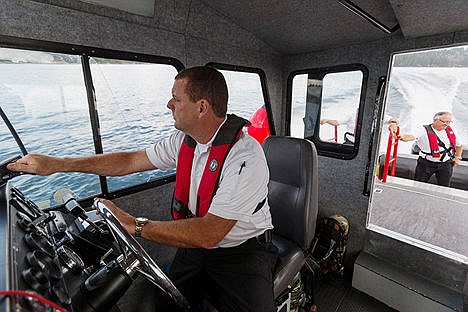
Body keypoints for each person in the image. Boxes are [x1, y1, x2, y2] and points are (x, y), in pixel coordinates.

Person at [7, 66, 278, 311]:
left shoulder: (245, 157)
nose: (168, 104)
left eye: (177, 98)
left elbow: (209, 233)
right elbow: (131, 160)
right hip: (197, 248)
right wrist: (59, 164)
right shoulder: (185, 141)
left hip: (241, 252)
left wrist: (134, 225)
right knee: (163, 302)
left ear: (202, 107)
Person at [413, 111, 463, 187]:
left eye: (449, 122)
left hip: (445, 163)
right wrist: (402, 137)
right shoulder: (423, 130)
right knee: (418, 184)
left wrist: (457, 157)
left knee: (445, 186)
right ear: (435, 120)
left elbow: (459, 145)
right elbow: (412, 136)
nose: (447, 124)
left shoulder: (451, 132)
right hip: (426, 163)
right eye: (444, 121)